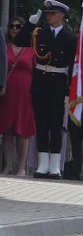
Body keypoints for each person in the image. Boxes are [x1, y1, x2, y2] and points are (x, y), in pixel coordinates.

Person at [13, 0, 77, 179]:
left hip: (58, 84)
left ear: (61, 15)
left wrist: (70, 90)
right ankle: (42, 163)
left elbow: (73, 65)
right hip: (40, 82)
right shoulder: (39, 33)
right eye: (47, 13)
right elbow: (19, 40)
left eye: (52, 13)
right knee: (41, 124)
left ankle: (55, 165)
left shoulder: (70, 38)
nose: (49, 16)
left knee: (56, 125)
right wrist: (30, 24)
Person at [1, 16, 36, 175]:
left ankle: (21, 168)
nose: (15, 29)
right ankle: (8, 166)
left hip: (25, 94)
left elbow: (36, 71)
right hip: (7, 93)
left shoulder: (31, 49)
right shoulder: (4, 47)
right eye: (12, 26)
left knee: (23, 130)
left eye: (19, 26)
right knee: (6, 129)